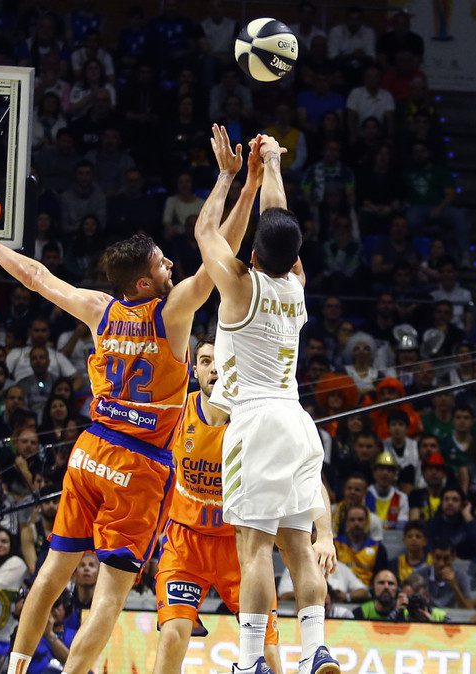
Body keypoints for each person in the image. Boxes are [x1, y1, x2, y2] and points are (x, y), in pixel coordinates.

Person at [0, 124, 258, 674]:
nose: (170, 266)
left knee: (52, 570)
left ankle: (17, 669)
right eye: (163, 263)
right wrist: (235, 179)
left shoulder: (99, 309)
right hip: (139, 466)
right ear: (144, 284)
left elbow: (39, 277)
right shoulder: (172, 315)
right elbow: (219, 254)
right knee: (109, 598)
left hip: (89, 452)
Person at [194, 129, 339, 674]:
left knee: (253, 550)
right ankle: (315, 651)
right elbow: (283, 225)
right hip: (299, 421)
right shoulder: (296, 285)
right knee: (298, 548)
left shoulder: (238, 286)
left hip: (254, 423)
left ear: (252, 253)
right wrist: (274, 163)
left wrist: (234, 175)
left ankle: (251, 660)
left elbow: (206, 229)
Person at [152, 338, 282, 674]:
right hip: (185, 542)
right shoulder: (177, 411)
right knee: (172, 636)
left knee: (267, 650)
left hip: (239, 547)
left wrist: (322, 532)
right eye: (206, 361)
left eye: (221, 360)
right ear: (195, 370)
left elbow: (304, 472)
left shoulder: (254, 419)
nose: (214, 368)